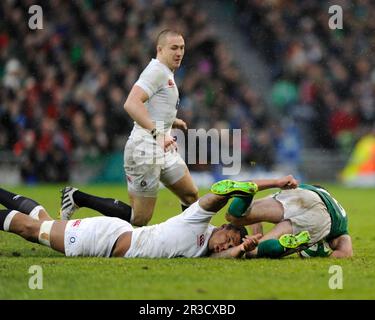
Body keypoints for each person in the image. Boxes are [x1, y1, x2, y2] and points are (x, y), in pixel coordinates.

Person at [60, 29, 199, 227]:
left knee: (191, 194)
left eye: (182, 48)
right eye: (174, 48)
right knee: (140, 218)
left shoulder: (166, 73)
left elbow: (152, 104)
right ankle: (76, 197)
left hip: (162, 147)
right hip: (145, 148)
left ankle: (191, 241)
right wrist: (159, 133)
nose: (179, 52)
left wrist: (171, 120)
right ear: (160, 49)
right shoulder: (157, 71)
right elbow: (132, 103)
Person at [0, 175, 297, 259]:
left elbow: (225, 254)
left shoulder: (206, 252)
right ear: (221, 227)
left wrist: (242, 248)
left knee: (42, 222)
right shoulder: (197, 224)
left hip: (113, 237)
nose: (224, 245)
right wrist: (271, 183)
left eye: (227, 245)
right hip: (104, 239)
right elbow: (210, 200)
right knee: (30, 229)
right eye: (228, 238)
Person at [210, 180, 353, 259]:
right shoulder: (342, 223)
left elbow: (256, 219)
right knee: (254, 250)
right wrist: (323, 253)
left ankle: (244, 194)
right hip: (321, 220)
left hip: (302, 195)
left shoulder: (310, 188)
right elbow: (346, 253)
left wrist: (255, 231)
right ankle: (287, 244)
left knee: (236, 216)